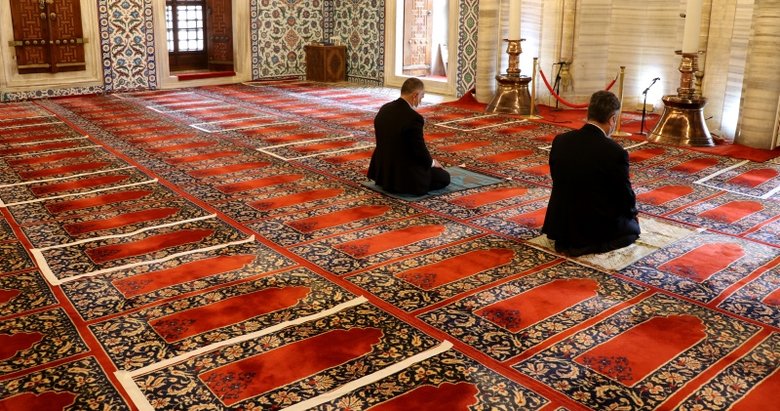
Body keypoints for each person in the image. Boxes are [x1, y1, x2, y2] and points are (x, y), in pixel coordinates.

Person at [541, 90, 641, 256]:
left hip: (560, 224)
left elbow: (558, 180)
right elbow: (624, 194)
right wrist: (632, 214)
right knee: (633, 229)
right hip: (591, 227)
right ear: (612, 119)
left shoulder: (561, 140)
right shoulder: (615, 152)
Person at [367, 77, 450, 196]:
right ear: (415, 95)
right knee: (444, 177)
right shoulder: (414, 118)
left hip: (382, 172)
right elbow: (418, 150)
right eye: (421, 96)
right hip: (403, 175)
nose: (420, 101)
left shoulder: (384, 108)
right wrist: (432, 163)